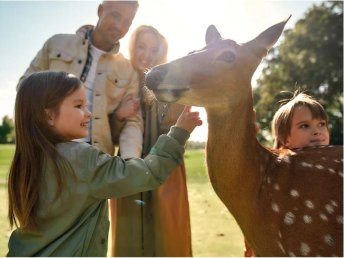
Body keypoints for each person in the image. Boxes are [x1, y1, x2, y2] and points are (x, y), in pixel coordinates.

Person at [7, 71, 202, 256]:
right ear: (49, 115)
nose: (88, 113)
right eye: (78, 106)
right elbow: (148, 173)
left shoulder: (26, 163)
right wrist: (178, 133)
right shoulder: (81, 160)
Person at [17, 1, 142, 160]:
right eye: (115, 15)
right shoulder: (56, 44)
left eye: (127, 22)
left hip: (95, 162)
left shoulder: (128, 71)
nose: (119, 26)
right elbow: (24, 86)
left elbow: (132, 123)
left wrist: (130, 160)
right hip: (46, 153)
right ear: (100, 10)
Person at [109, 25, 193, 256]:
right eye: (141, 46)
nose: (146, 54)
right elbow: (109, 135)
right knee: (129, 238)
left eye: (153, 49)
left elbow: (178, 126)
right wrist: (119, 115)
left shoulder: (168, 84)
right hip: (128, 165)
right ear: (132, 46)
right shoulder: (119, 80)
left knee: (168, 239)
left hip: (165, 167)